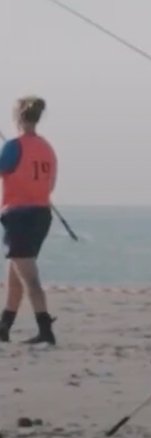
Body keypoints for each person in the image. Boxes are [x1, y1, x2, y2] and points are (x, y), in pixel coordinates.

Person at [0, 97, 57, 345]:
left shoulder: (14, 145)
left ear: (18, 117)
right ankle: (4, 327)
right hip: (42, 215)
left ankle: (45, 328)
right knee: (16, 274)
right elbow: (50, 184)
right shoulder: (47, 148)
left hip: (20, 215)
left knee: (29, 277)